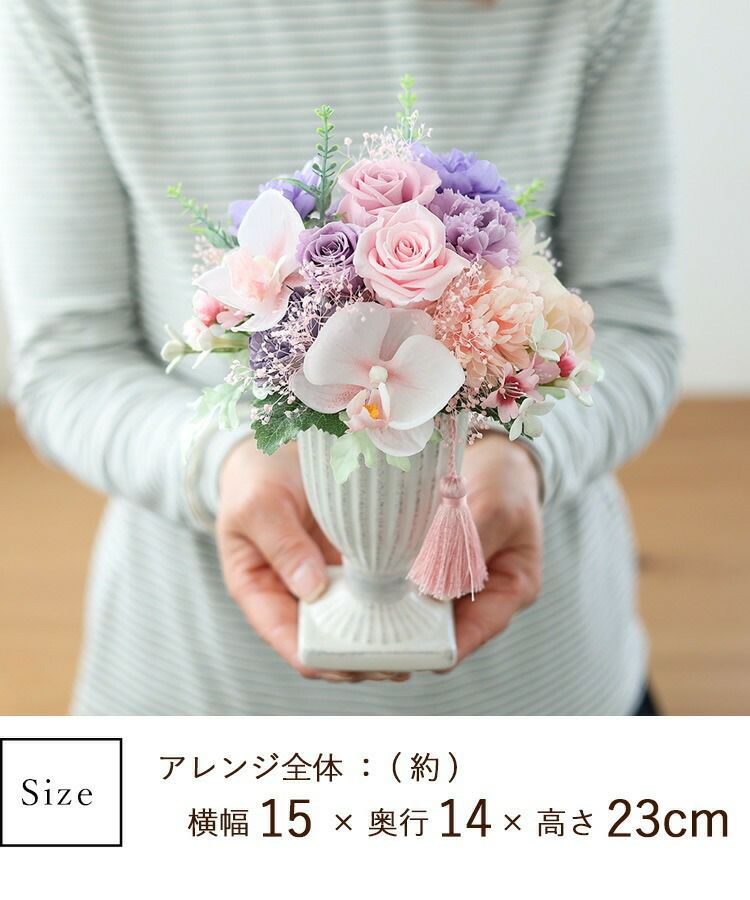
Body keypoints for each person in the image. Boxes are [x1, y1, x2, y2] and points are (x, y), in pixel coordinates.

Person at [0, 0, 679, 714]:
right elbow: (67, 364)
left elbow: (631, 328)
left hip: (543, 696)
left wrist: (524, 459)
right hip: (200, 698)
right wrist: (223, 464)